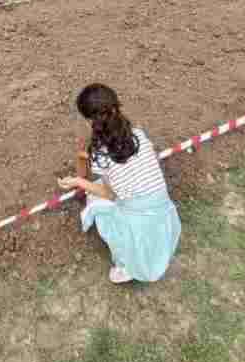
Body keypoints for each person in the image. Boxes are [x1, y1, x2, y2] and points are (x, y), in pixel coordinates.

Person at [58, 84, 181, 284]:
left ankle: (128, 264)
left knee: (95, 200)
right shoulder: (138, 134)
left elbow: (110, 194)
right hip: (163, 211)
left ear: (90, 121)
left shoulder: (100, 156)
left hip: (138, 219)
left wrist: (78, 181)